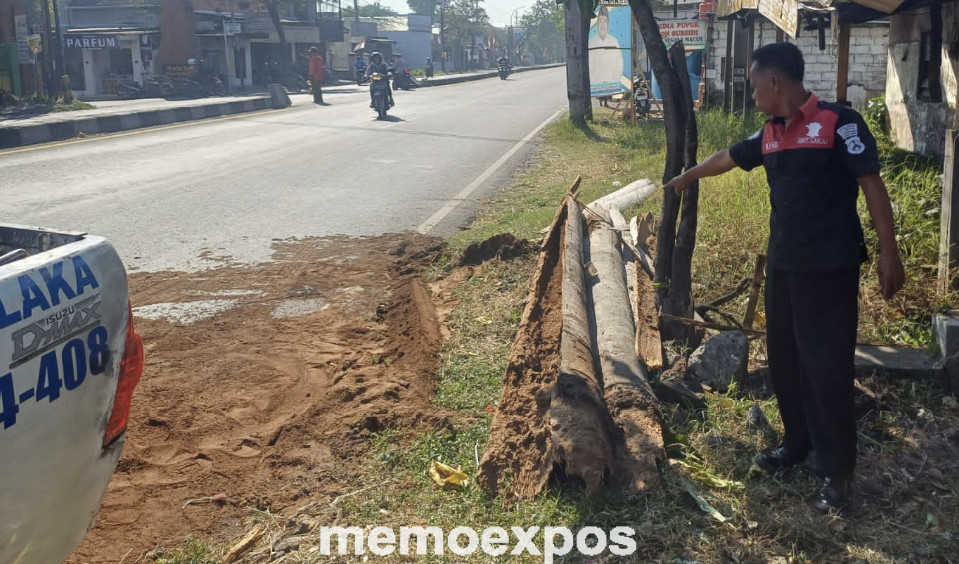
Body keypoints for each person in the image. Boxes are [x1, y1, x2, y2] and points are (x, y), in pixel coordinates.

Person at [663, 42, 905, 513]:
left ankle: (838, 472)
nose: (752, 93)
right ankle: (797, 444)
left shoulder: (839, 123)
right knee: (785, 361)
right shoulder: (771, 134)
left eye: (754, 84)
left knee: (826, 367)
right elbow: (729, 157)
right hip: (785, 267)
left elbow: (872, 185)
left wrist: (888, 253)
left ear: (775, 81)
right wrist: (688, 177)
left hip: (829, 270)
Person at [588, 5, 626, 88]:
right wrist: (597, 83)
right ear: (597, 23)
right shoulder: (592, 43)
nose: (602, 25)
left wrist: (613, 82)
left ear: (608, 24)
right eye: (600, 21)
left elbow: (619, 65)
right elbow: (589, 67)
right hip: (595, 85)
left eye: (605, 21)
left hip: (612, 84)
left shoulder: (614, 42)